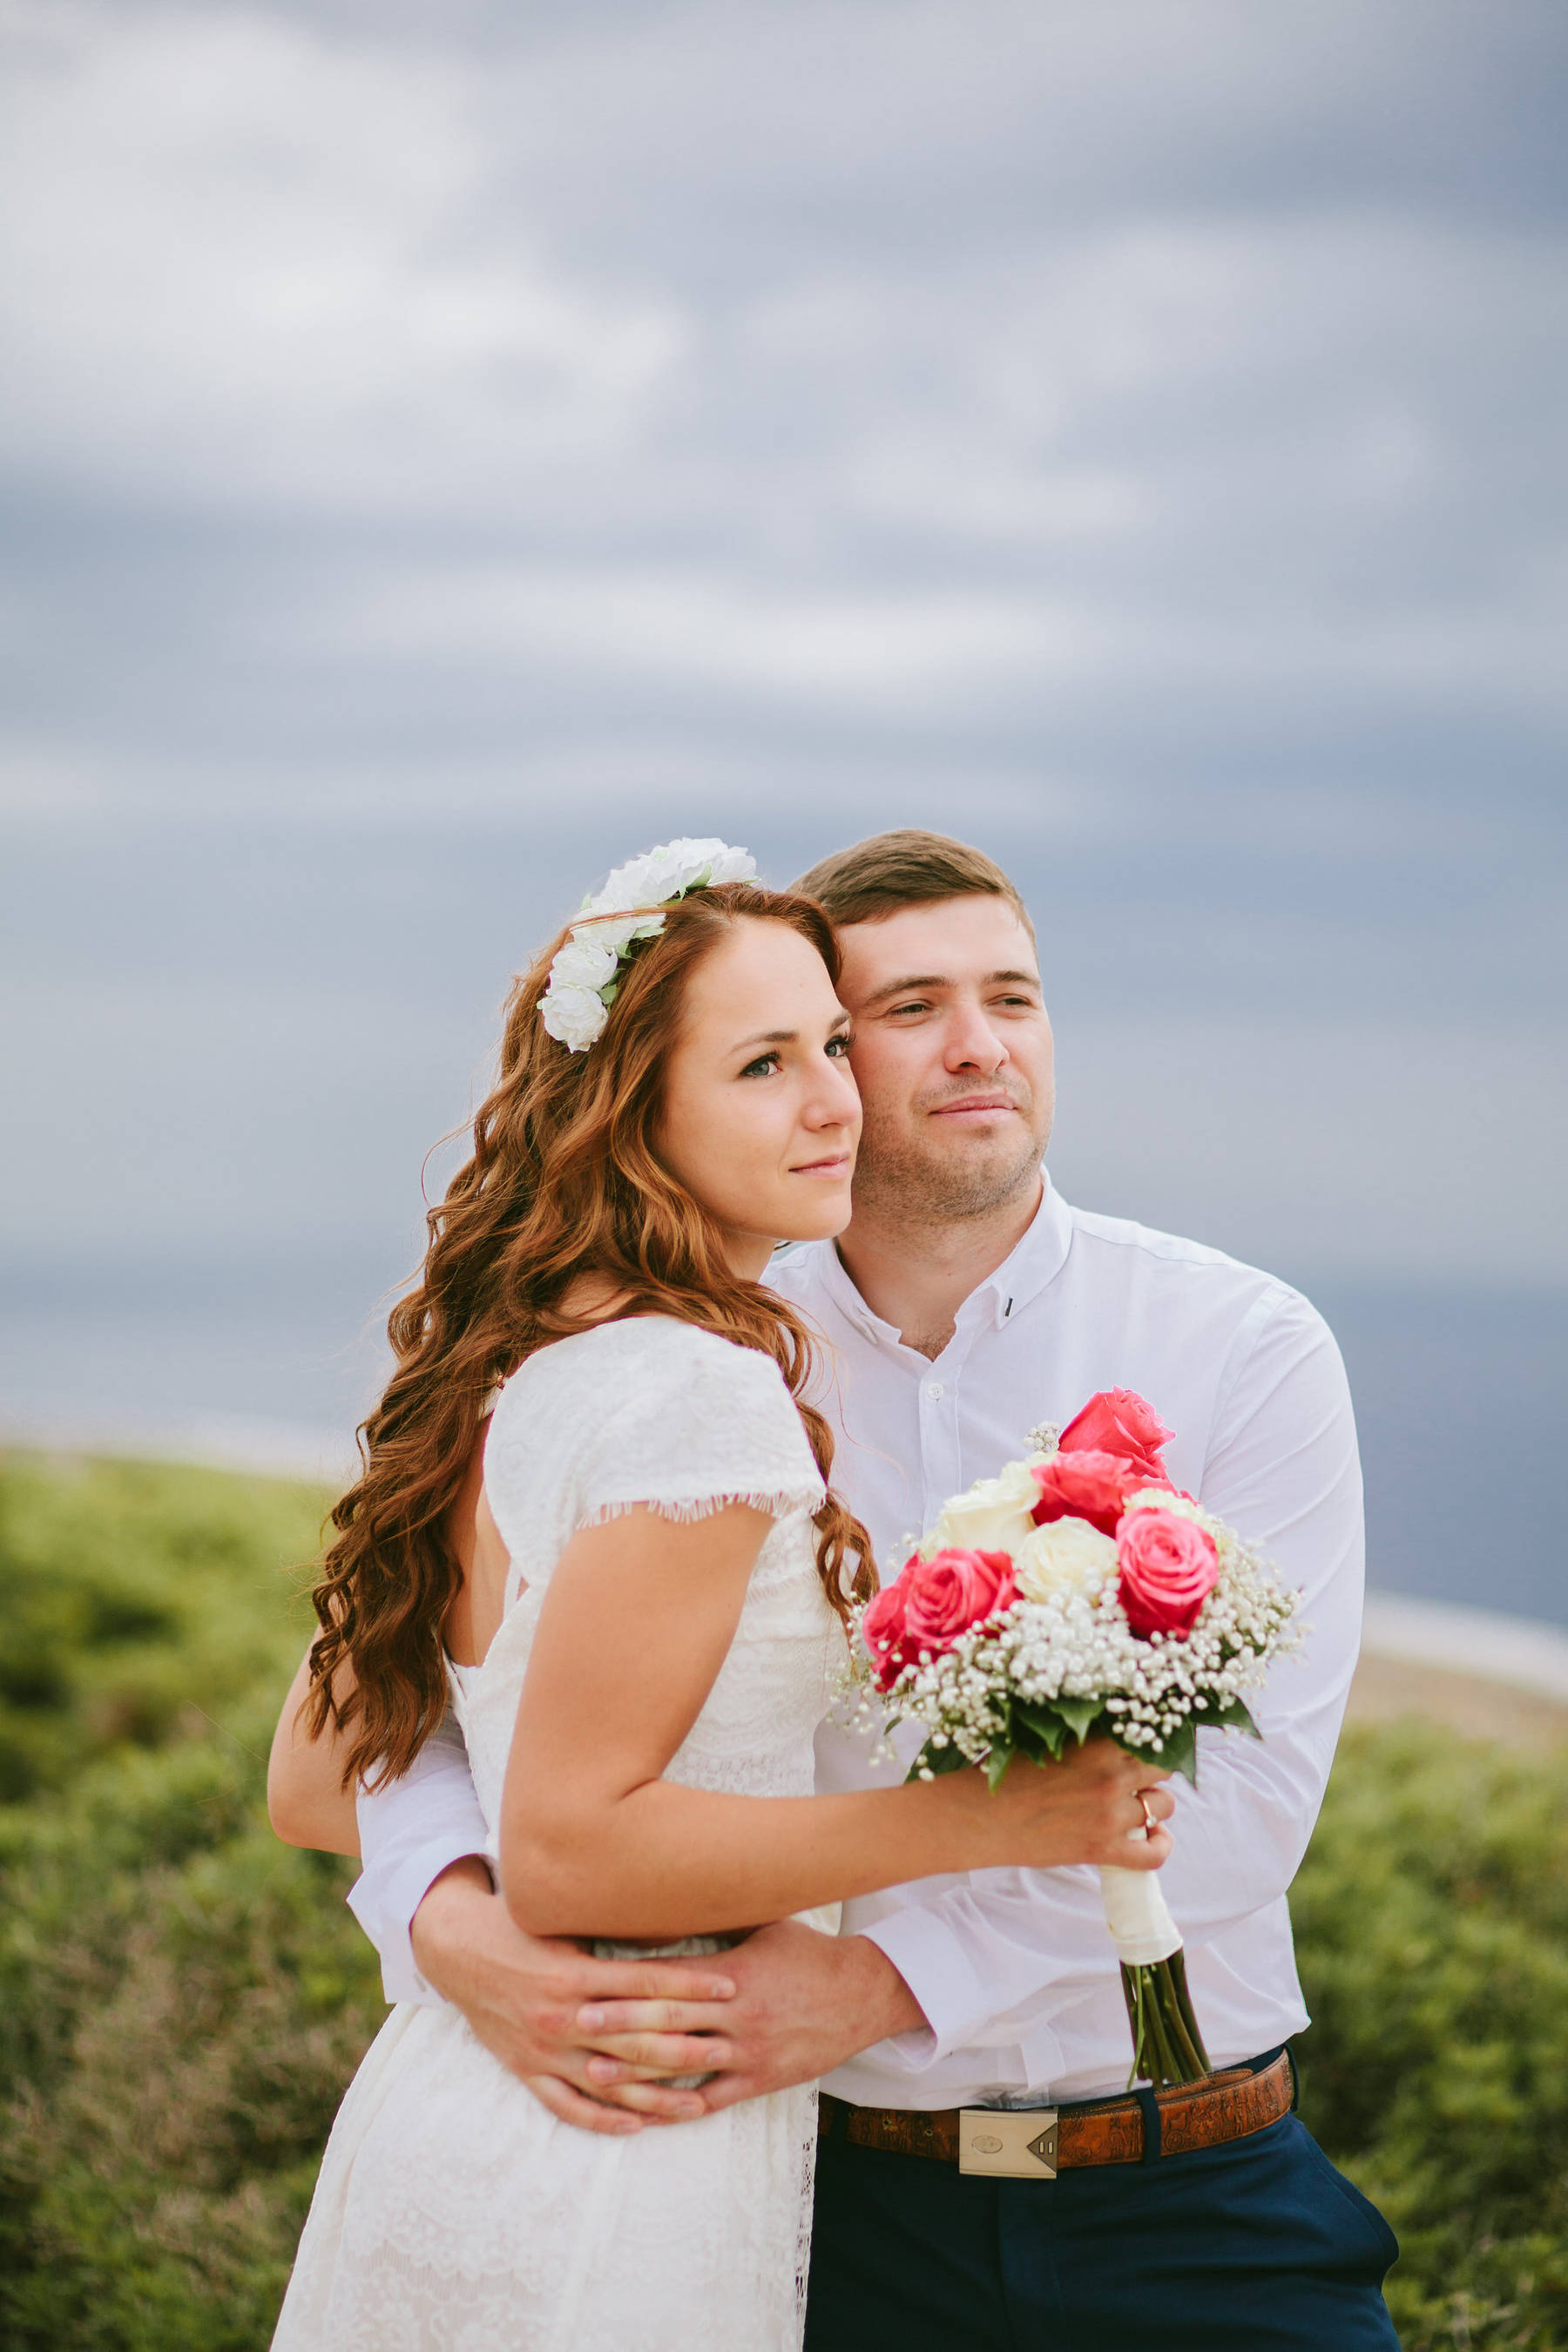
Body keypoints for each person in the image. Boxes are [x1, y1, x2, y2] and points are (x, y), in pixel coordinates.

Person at [266, 843, 1174, 2352]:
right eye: (763, 1065)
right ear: (635, 1111)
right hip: (627, 2133)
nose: (836, 1099)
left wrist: (456, 1936)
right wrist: (997, 1820)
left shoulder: (522, 1360)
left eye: (831, 1043)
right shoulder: (698, 1393)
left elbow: (313, 1775)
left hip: (468, 2103)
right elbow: (569, 1850)